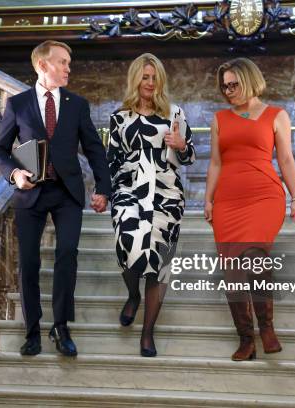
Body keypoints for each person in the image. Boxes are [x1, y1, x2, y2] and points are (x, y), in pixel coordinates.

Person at [0, 40, 111, 357]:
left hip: (68, 193)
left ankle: (61, 327)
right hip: (30, 194)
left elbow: (94, 149)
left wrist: (103, 187)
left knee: (67, 255)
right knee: (29, 263)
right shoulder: (17, 105)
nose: (69, 67)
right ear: (43, 65)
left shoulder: (77, 104)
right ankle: (32, 331)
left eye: (69, 62)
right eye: (63, 62)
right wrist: (14, 174)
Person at [203, 58, 295, 361]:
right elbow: (215, 162)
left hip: (264, 197)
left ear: (250, 80)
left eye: (234, 84)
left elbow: (286, 159)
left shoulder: (277, 115)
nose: (228, 90)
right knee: (232, 270)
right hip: (227, 200)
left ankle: (267, 328)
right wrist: (208, 199)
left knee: (256, 258)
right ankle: (246, 338)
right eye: (224, 86)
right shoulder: (219, 118)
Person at [107, 53, 195, 357]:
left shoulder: (175, 114)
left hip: (166, 195)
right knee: (126, 248)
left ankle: (147, 333)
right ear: (136, 80)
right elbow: (111, 160)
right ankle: (133, 295)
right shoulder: (120, 117)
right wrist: (105, 192)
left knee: (158, 265)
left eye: (155, 76)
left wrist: (181, 146)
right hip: (128, 191)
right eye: (145, 76)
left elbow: (190, 154)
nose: (150, 82)